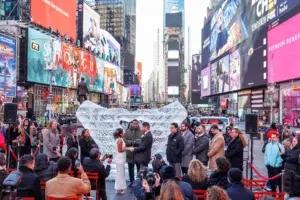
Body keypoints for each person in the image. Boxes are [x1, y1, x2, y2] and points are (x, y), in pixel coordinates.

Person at [124, 119, 142, 186]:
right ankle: (132, 181)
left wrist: (135, 142)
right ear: (131, 123)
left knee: (139, 168)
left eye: (136, 123)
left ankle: (138, 181)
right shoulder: (127, 131)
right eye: (134, 123)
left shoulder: (141, 131)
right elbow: (124, 140)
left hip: (138, 152)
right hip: (130, 153)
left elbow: (142, 140)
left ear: (138, 124)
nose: (135, 125)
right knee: (130, 168)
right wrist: (131, 142)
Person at [113, 128, 127, 194]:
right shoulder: (120, 140)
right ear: (121, 134)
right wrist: (126, 149)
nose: (124, 133)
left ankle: (118, 187)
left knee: (120, 173)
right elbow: (120, 150)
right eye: (123, 132)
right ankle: (120, 188)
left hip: (120, 158)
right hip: (120, 159)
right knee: (120, 174)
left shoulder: (118, 140)